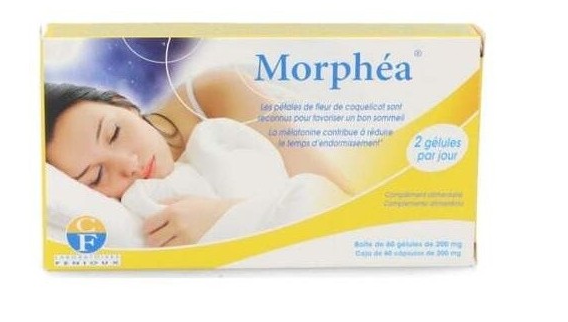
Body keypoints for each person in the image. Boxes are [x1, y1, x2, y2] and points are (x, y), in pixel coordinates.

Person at [44, 64, 355, 247]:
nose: (129, 165)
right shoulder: (135, 206)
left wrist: (223, 216)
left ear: (123, 104)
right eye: (97, 175)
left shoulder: (216, 93)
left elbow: (342, 207)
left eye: (114, 133)